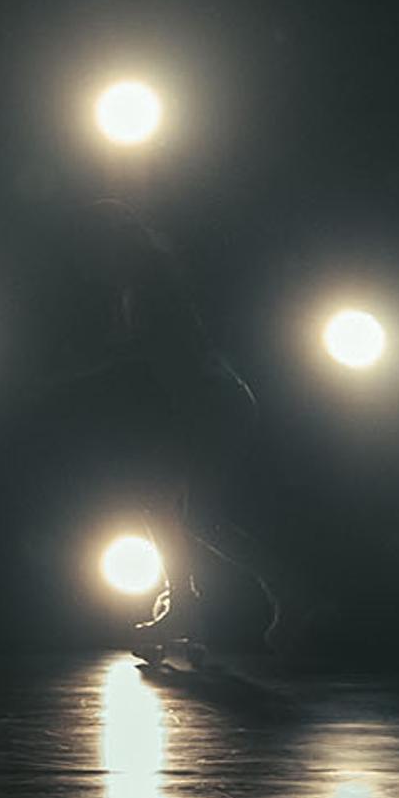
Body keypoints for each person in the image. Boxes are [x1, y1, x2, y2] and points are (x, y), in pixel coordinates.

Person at [67, 199, 280, 661]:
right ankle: (182, 605)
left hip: (210, 405)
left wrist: (75, 378)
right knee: (163, 507)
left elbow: (151, 359)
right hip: (198, 406)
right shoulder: (139, 286)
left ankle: (293, 592)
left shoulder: (150, 288)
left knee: (194, 515)